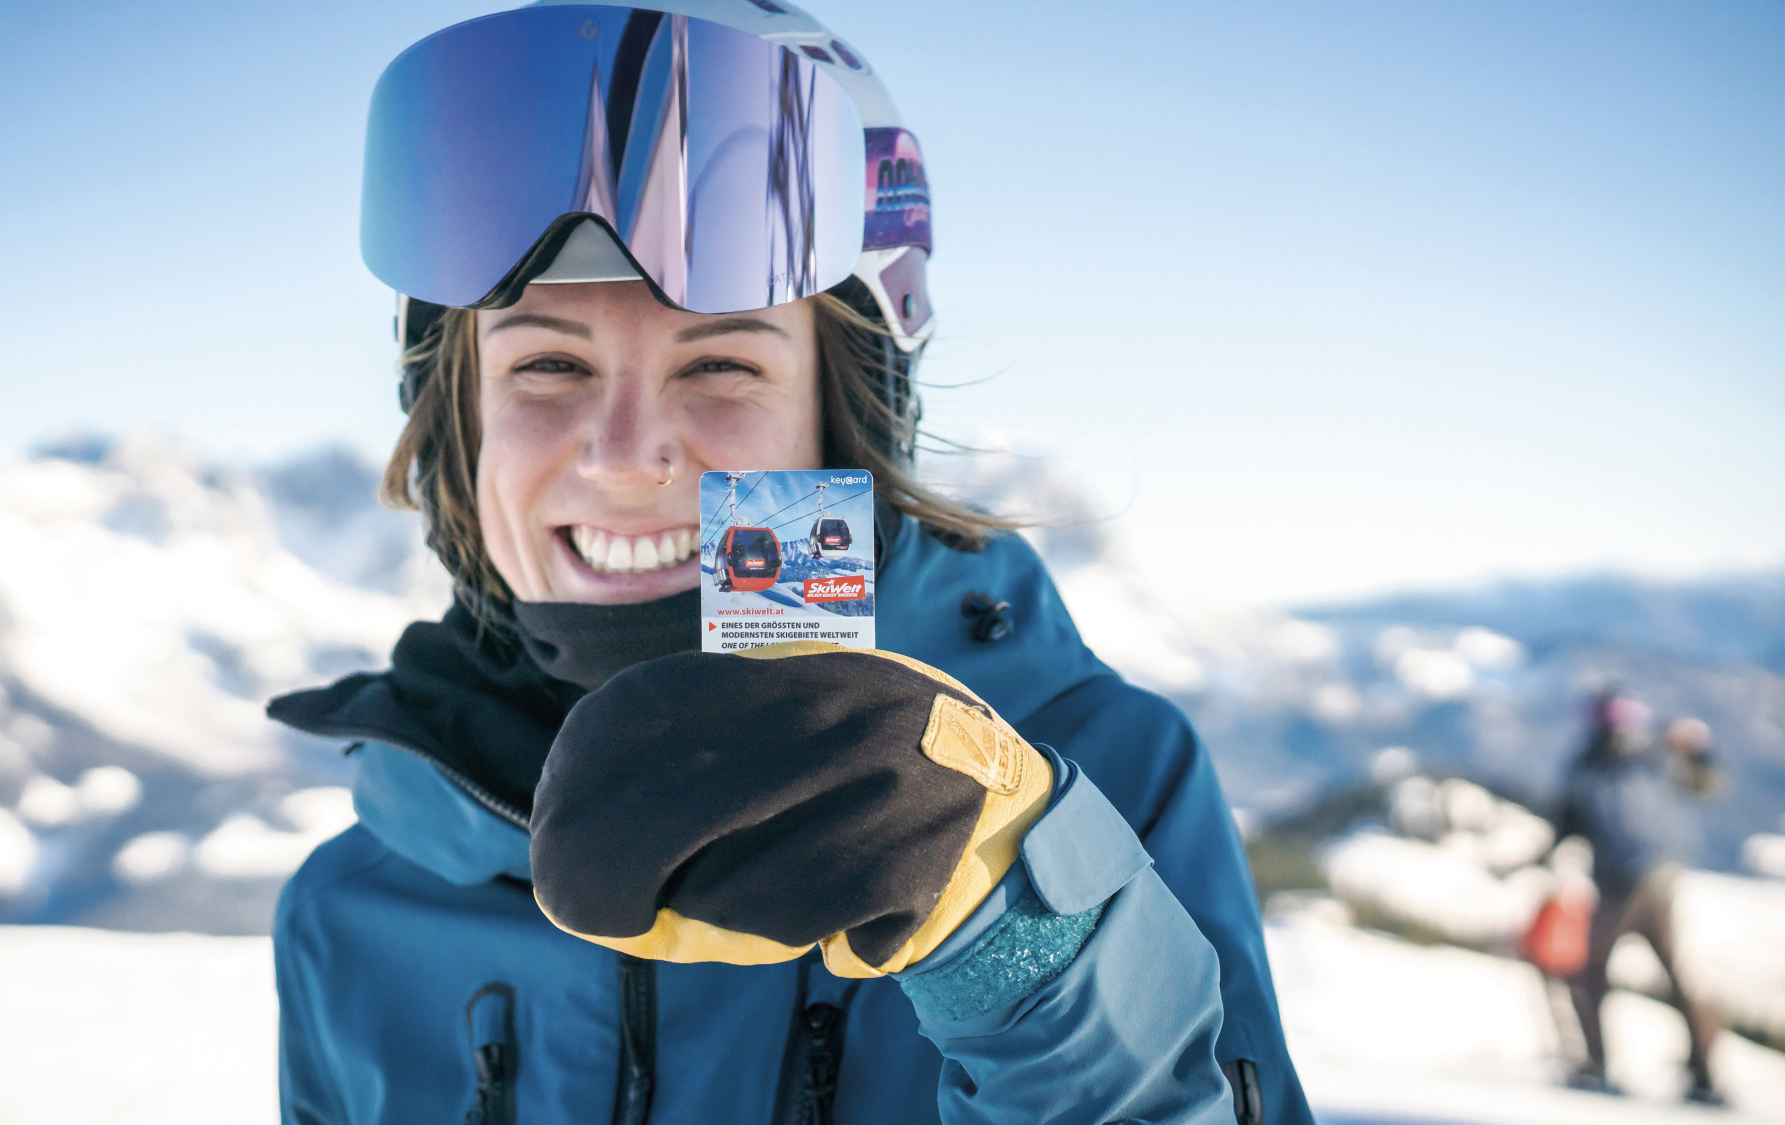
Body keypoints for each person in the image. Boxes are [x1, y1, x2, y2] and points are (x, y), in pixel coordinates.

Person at [268, 3, 1307, 1122]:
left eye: (719, 363)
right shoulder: (350, 909)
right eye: (547, 365)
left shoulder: (1103, 777)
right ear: (459, 424)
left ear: (845, 420)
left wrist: (1022, 930)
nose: (626, 460)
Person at [1555, 690, 1723, 1105]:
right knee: (1676, 978)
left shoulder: (1592, 766)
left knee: (1590, 974)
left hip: (1620, 886)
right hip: (1658, 882)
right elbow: (1705, 785)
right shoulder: (1654, 755)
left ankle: (1597, 1067)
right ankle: (1703, 1075)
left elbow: (1568, 821)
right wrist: (1698, 751)